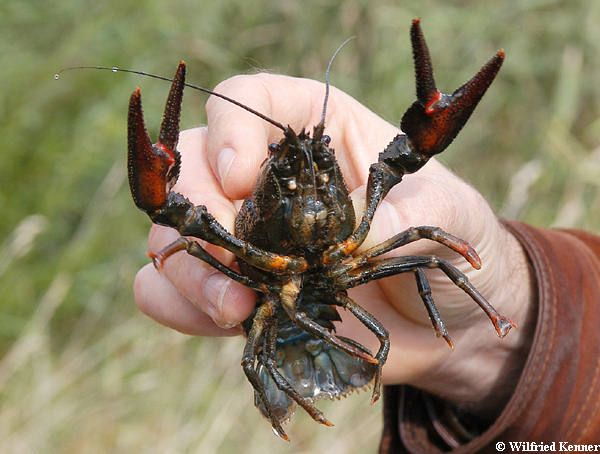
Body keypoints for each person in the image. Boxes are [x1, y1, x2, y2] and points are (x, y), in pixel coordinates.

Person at [133, 74, 600, 451]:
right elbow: (176, 216)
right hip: (272, 297)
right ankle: (285, 391)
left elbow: (423, 234)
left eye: (320, 158)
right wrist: (187, 236)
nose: (307, 177)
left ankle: (477, 323)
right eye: (284, 162)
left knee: (425, 247)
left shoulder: (367, 198)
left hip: (332, 287)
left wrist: (487, 323)